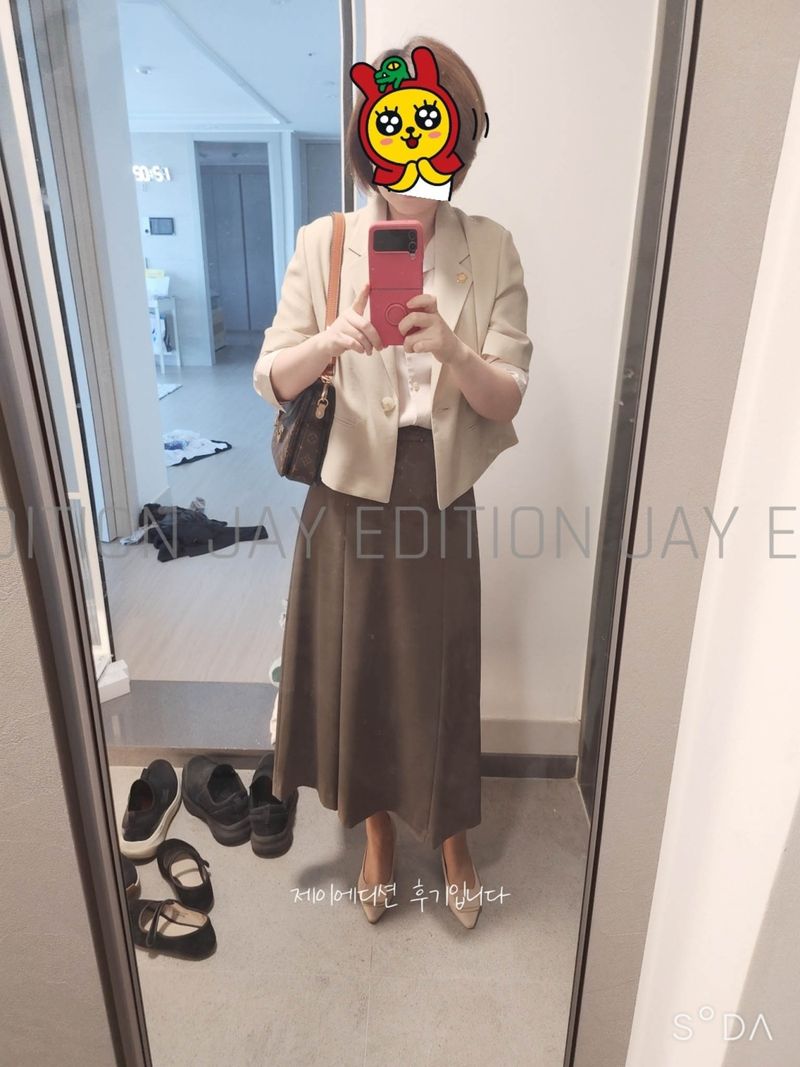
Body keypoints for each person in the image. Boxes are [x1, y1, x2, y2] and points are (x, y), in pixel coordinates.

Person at [252, 36, 532, 928]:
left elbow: (507, 393)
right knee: (359, 669)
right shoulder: (325, 241)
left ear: (459, 140)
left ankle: (451, 835)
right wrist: (332, 339)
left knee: (442, 669)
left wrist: (450, 347)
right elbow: (271, 377)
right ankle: (375, 833)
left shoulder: (490, 249)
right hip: (345, 492)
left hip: (437, 492)